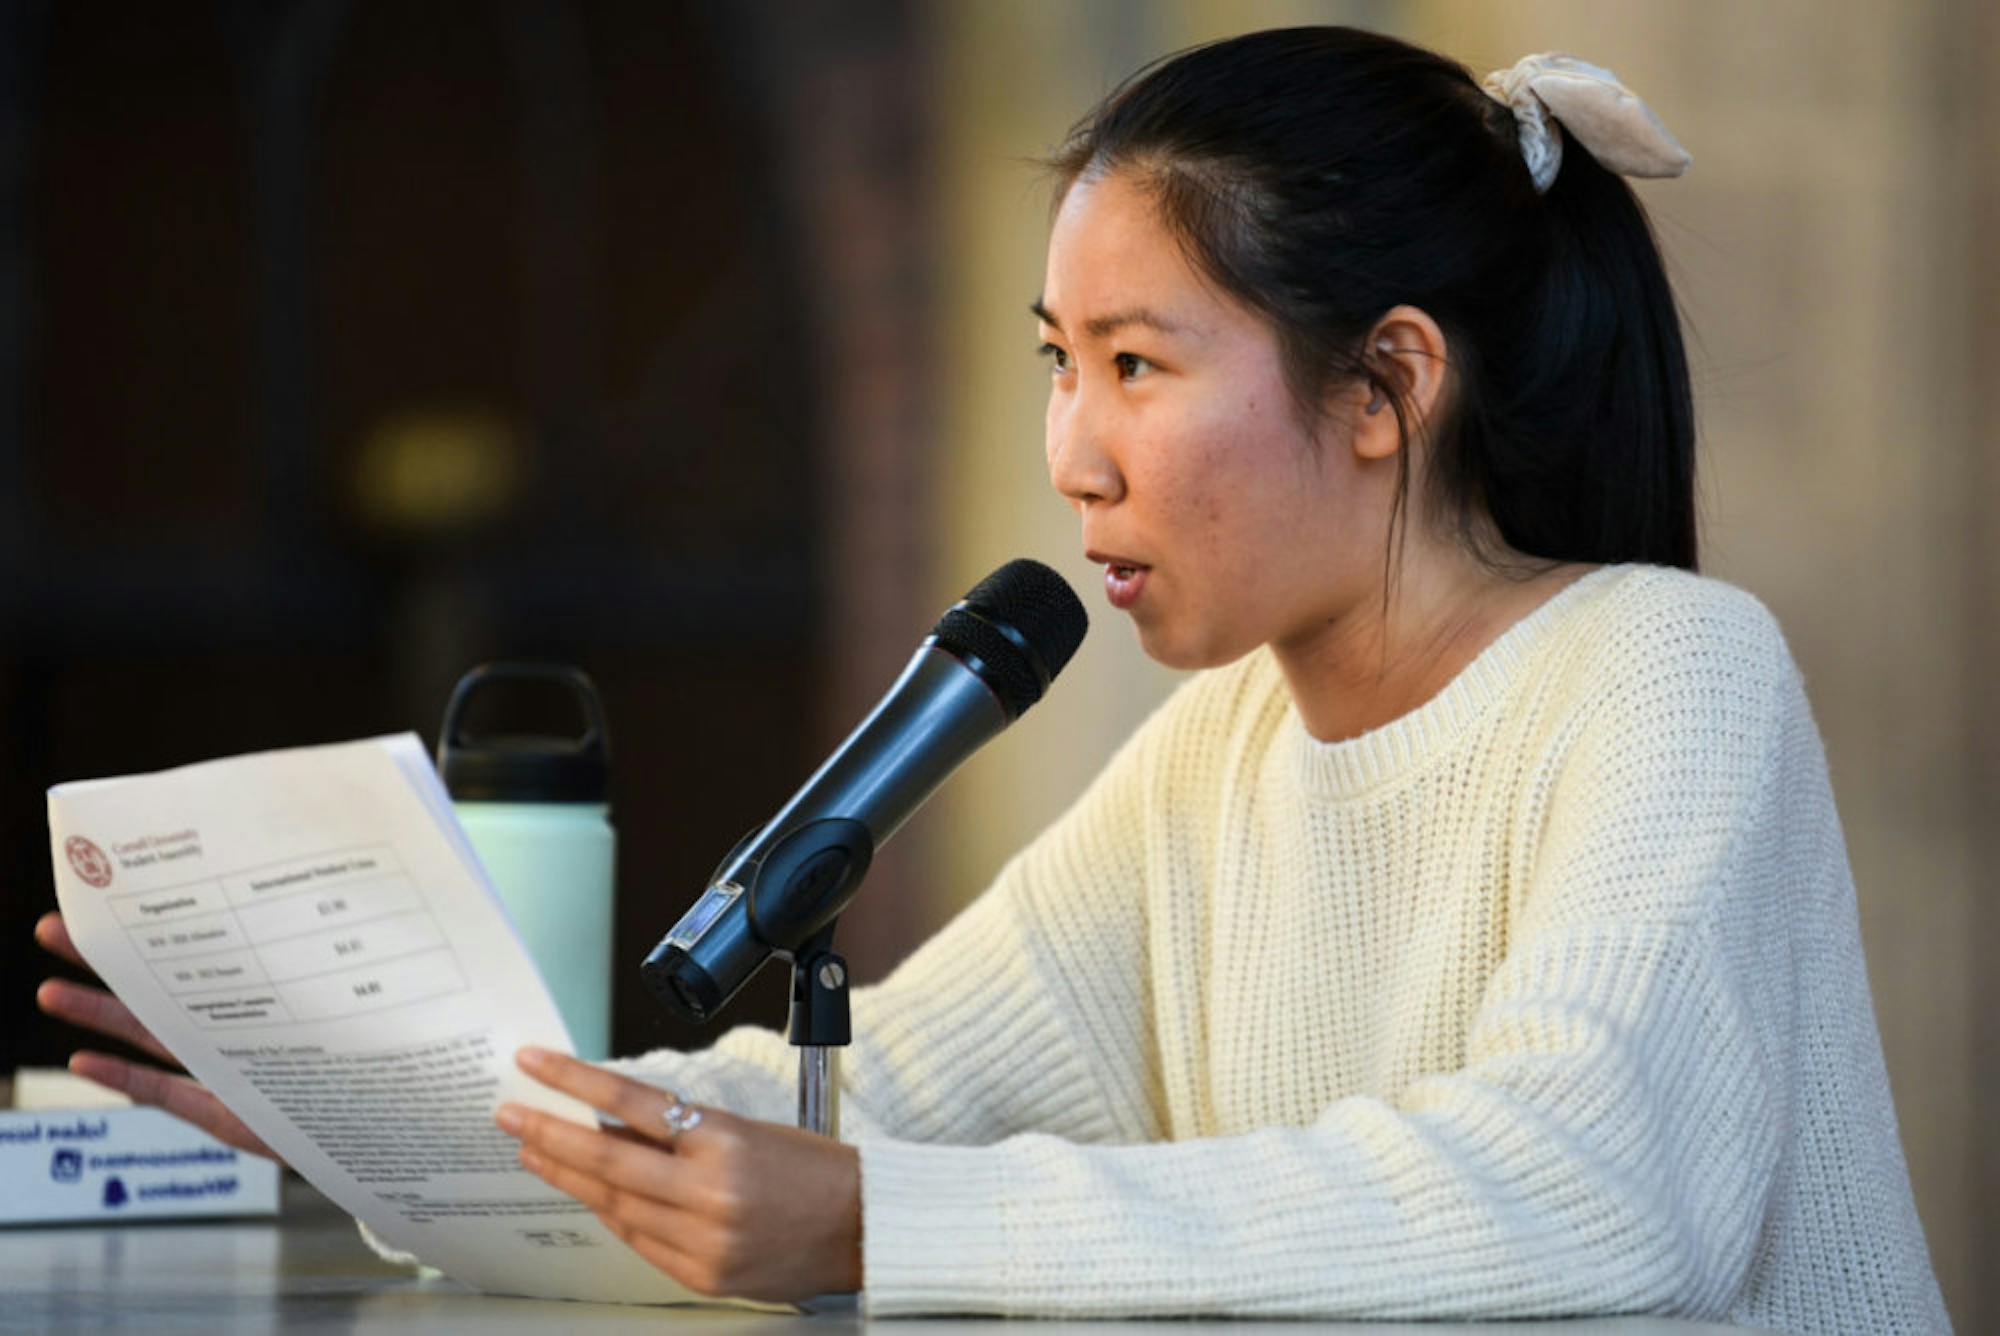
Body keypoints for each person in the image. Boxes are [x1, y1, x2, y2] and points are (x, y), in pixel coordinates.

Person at [35, 25, 1948, 1331]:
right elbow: (848, 1121)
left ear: (1388, 387)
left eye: (1138, 363)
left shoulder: (1667, 673)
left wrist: (873, 1226)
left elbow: (1596, 1191)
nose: (1072, 453)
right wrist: (382, 1121)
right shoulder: (1212, 760)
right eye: (1057, 359)